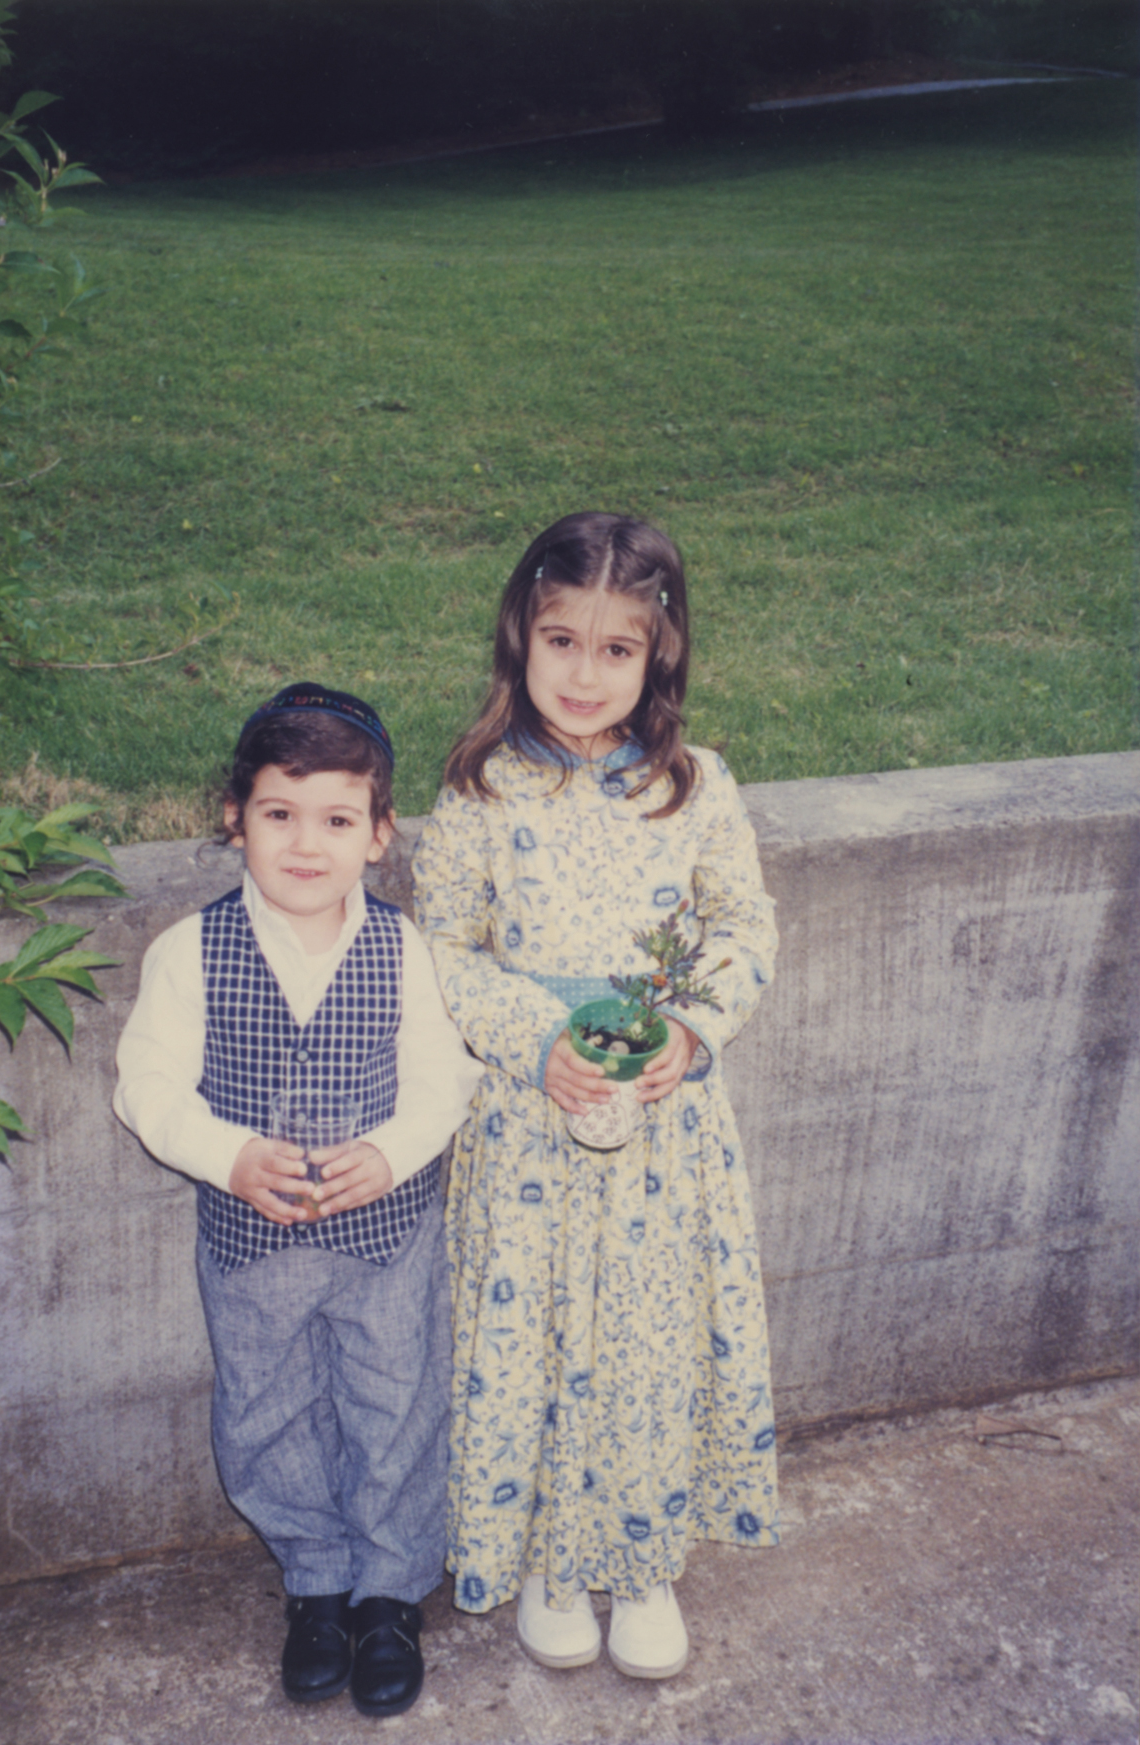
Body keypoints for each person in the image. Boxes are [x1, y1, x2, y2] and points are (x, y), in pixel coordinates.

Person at [412, 512, 780, 1681]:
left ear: (658, 654)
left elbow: (743, 923)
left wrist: (689, 1026)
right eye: (561, 638)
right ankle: (548, 1558)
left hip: (663, 1125)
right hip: (529, 1121)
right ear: (521, 632)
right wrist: (533, 1042)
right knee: (536, 1338)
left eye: (615, 648)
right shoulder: (478, 789)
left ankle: (643, 1556)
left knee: (643, 1338)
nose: (583, 672)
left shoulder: (695, 786)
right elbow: (448, 947)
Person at [114, 683, 482, 1718]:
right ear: (235, 815)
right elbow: (145, 1084)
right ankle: (314, 1576)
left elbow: (444, 1076)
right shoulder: (190, 953)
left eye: (336, 818)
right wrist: (226, 1154)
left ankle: (387, 1589)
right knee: (264, 1409)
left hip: (384, 1240)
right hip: (250, 1247)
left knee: (394, 1401)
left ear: (378, 832)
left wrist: (393, 1148)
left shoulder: (406, 950)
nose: (305, 843)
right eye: (280, 813)